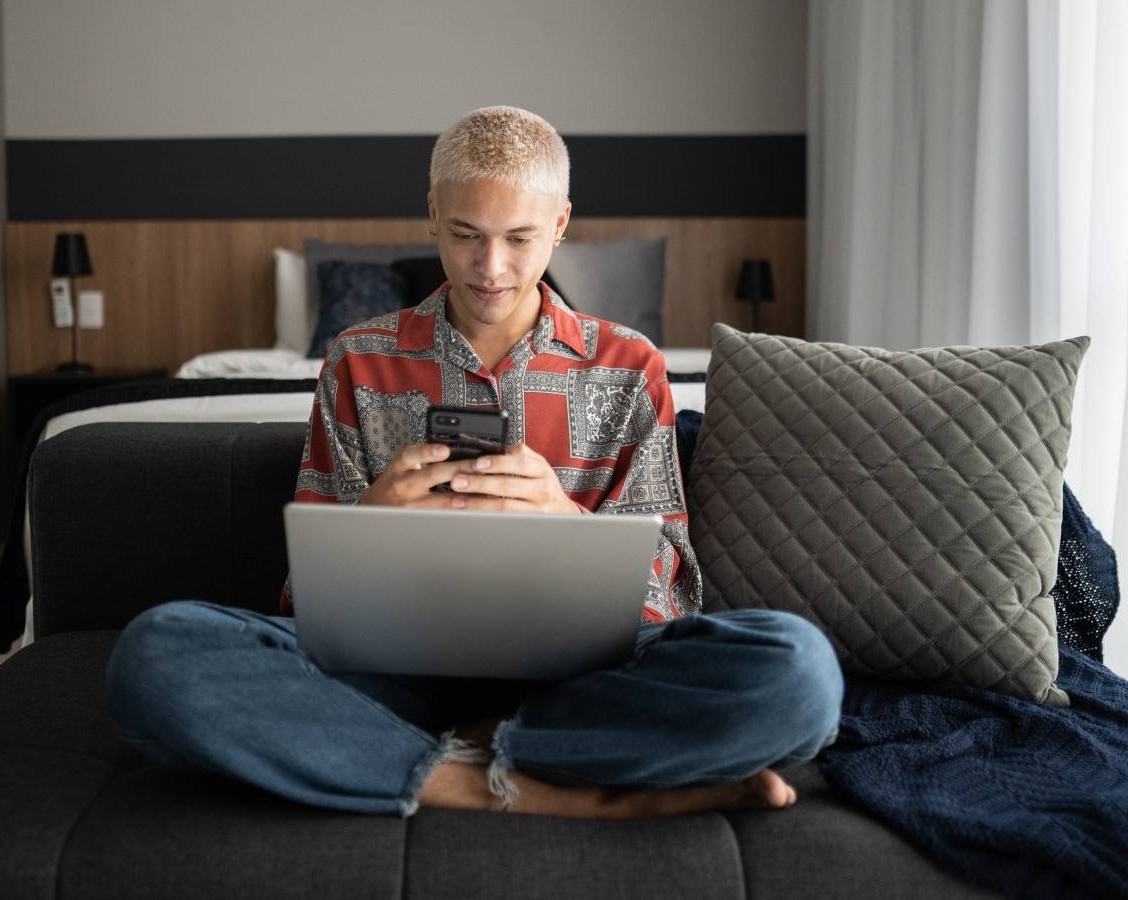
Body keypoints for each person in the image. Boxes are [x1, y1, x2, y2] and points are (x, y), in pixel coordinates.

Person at [106, 106, 842, 819]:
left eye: (520, 238)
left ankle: (446, 752)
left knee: (800, 675)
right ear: (431, 214)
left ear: (559, 225)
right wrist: (372, 523)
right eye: (464, 235)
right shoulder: (360, 358)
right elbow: (308, 602)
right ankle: (536, 790)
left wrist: (564, 520)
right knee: (155, 655)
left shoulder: (629, 364)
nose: (490, 268)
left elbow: (672, 589)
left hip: (585, 683)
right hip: (392, 672)